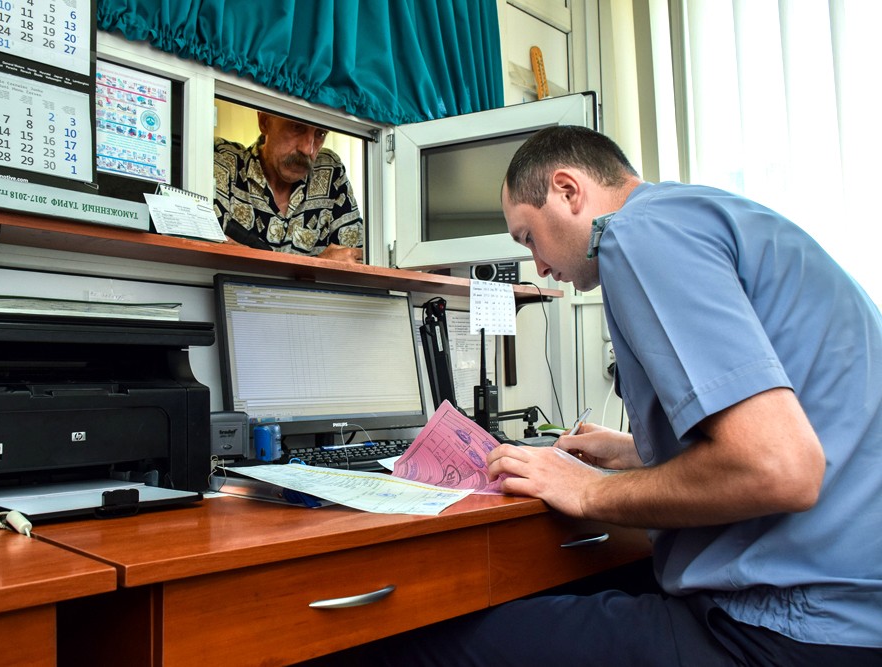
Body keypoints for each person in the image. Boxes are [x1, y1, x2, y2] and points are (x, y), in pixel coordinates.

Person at [310, 125, 882, 666]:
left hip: (787, 628)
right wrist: (637, 451)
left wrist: (587, 491)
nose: (538, 265)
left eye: (529, 237)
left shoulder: (637, 235)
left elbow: (780, 468)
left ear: (567, 191)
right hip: (852, 609)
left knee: (413, 644)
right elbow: (801, 428)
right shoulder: (708, 215)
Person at [213, 112, 364, 262]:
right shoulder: (224, 159)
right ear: (264, 121)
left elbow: (355, 258)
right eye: (297, 127)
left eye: (320, 133)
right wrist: (318, 265)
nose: (308, 149)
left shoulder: (330, 170)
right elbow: (210, 257)